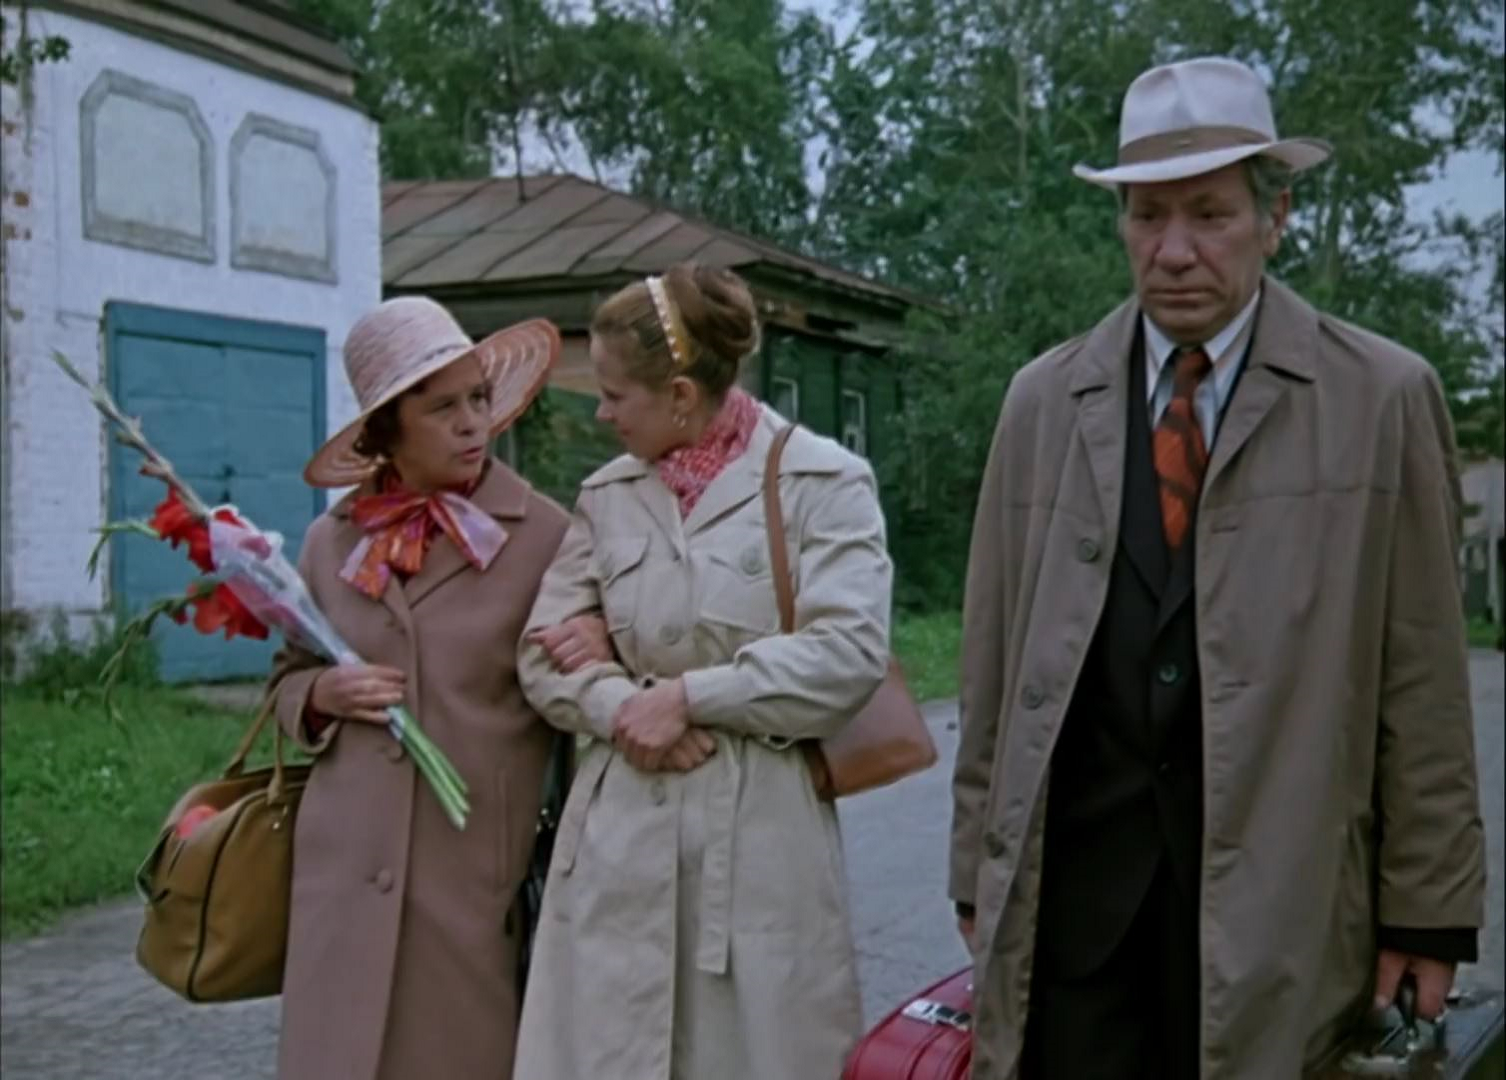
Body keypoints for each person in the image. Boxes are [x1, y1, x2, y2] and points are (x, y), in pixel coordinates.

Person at [948, 56, 1486, 1079]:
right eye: (1148, 216)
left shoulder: (1381, 399)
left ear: (1275, 217)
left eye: (1210, 214)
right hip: (1076, 926)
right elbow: (992, 668)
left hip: (1284, 922)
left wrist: (1429, 910)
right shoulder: (1041, 403)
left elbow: (1423, 680)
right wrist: (979, 869)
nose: (1175, 251)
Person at [512, 263, 892, 1079]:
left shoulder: (822, 482)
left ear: (681, 394)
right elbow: (541, 652)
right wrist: (620, 706)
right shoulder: (608, 496)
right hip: (619, 839)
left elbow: (848, 652)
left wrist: (691, 697)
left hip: (758, 839)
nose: (602, 412)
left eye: (615, 394)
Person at [266, 297, 607, 1080]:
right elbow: (285, 682)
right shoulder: (329, 541)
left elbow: (586, 688)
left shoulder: (547, 537)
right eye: (442, 408)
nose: (471, 424)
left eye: (478, 399)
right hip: (345, 873)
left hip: (470, 874)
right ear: (386, 429)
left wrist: (598, 643)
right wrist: (321, 696)